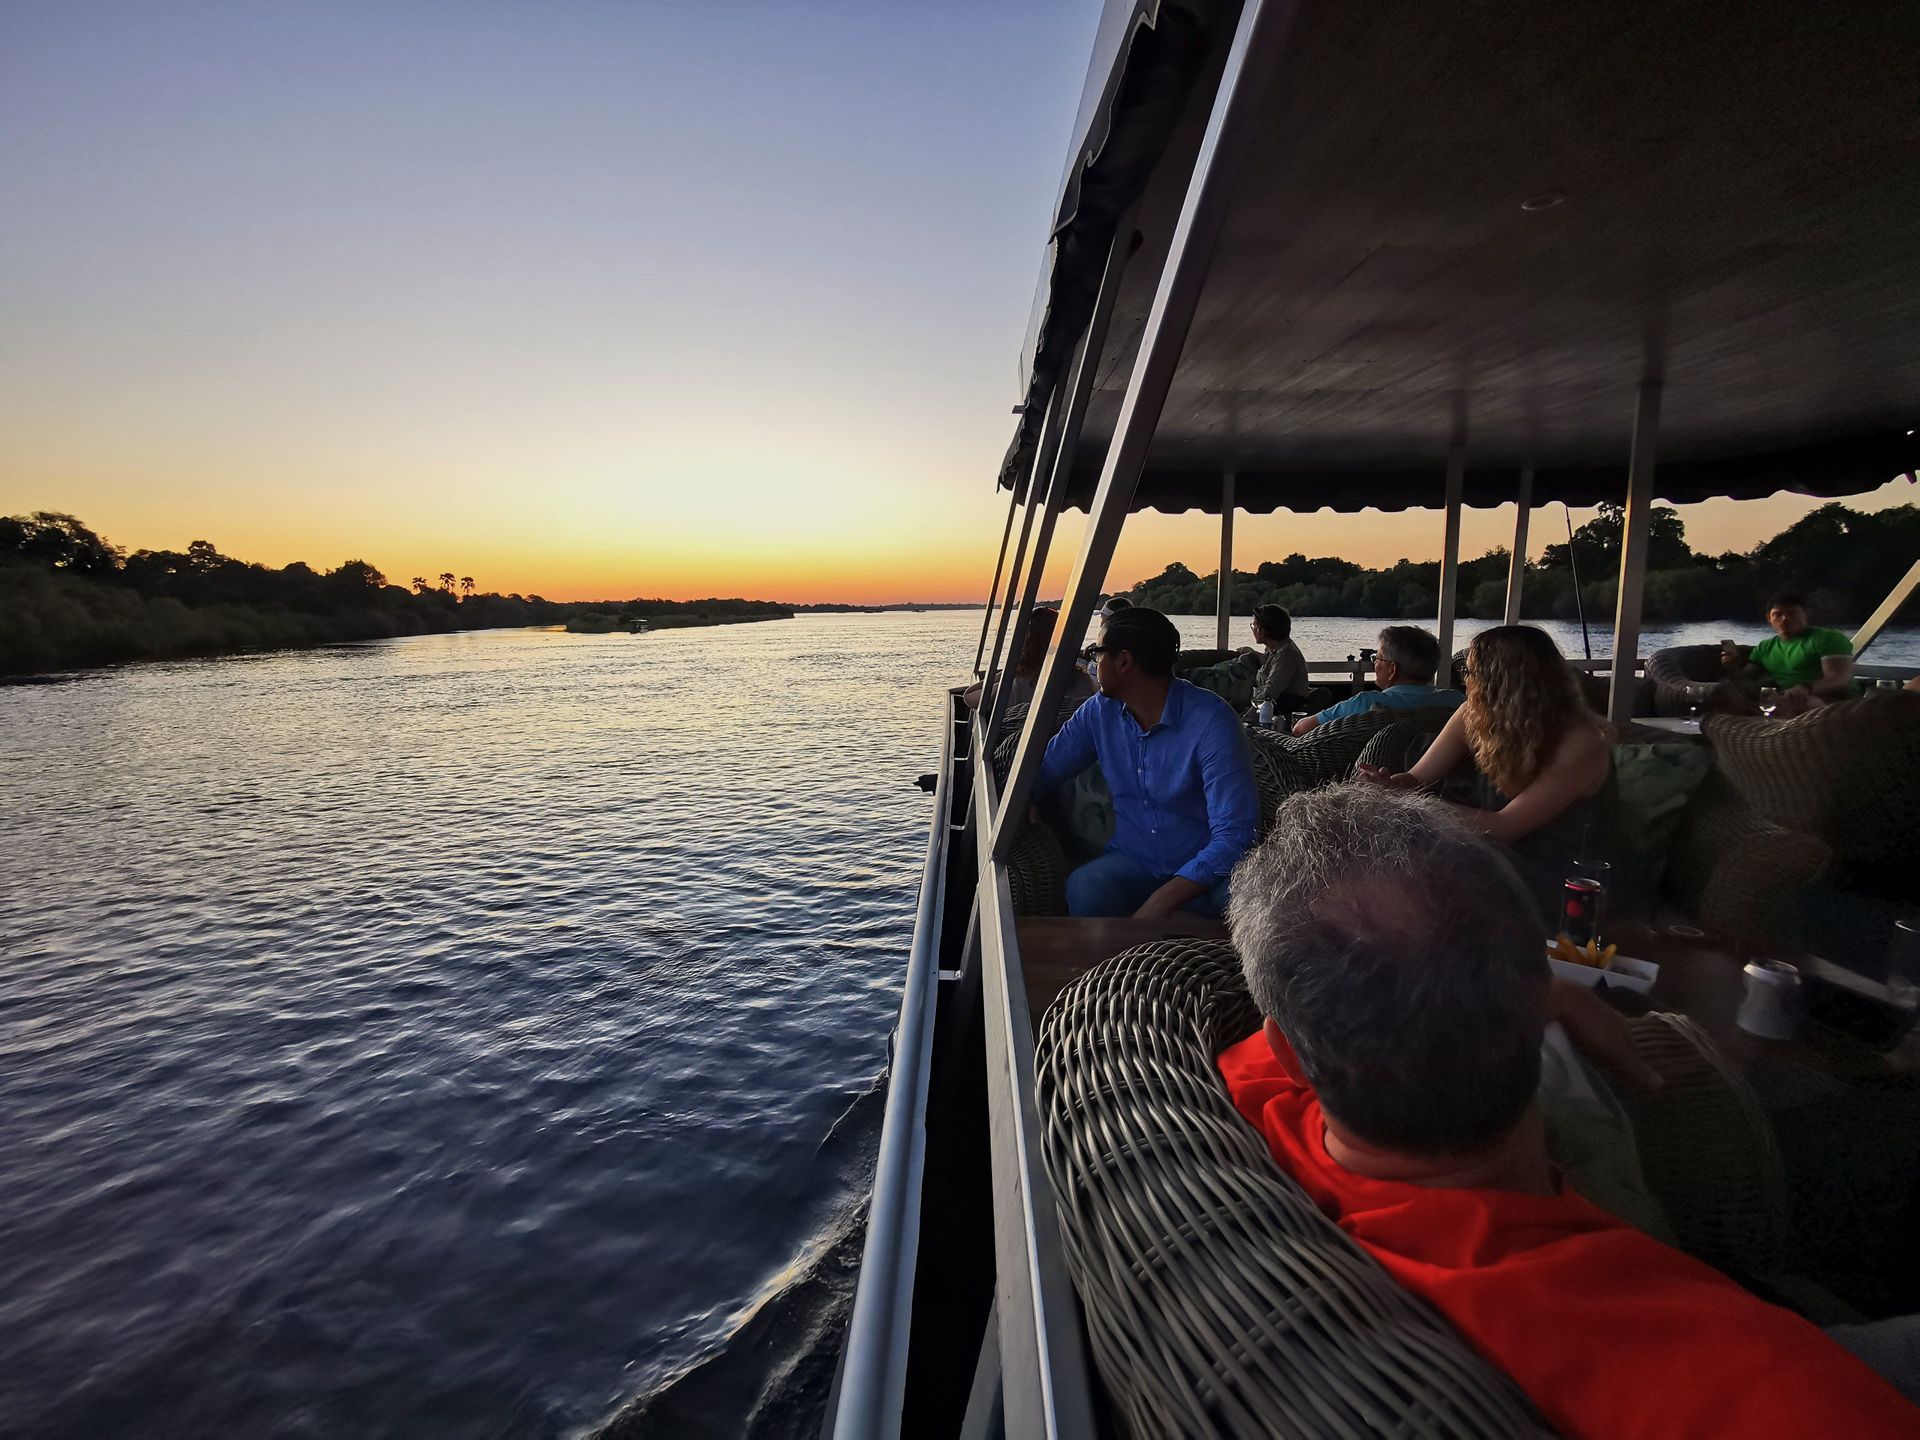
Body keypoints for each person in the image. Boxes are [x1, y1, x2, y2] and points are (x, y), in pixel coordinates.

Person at [1219, 785, 1920, 1437]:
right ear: (1534, 988)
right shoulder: (1760, 1387)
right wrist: (1544, 987)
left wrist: (1542, 993)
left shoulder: (1260, 1090)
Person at [1357, 625, 1611, 907]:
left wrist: (1405, 801)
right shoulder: (1473, 714)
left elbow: (1506, 827)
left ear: (1502, 681)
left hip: (1561, 874)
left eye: (1471, 673)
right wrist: (1389, 784)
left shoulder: (1581, 740)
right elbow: (1416, 778)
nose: (1465, 681)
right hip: (1489, 853)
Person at [1037, 606, 1258, 918]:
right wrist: (1025, 800)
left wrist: (1161, 902)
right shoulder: (1099, 712)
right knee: (1085, 887)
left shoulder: (1212, 721)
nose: (1093, 662)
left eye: (1097, 652)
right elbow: (1047, 768)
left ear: (1124, 661)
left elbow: (1236, 835)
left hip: (1206, 873)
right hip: (1133, 862)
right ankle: (1099, 968)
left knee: (1242, 904)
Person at [1290, 624, 1461, 736]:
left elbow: (1301, 729)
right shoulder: (1456, 701)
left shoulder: (1367, 704)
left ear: (1392, 669)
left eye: (1377, 658)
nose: (1374, 665)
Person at [963, 606, 1092, 715]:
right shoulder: (1085, 680)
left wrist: (1009, 671)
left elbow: (969, 697)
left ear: (1026, 642)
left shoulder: (1018, 685)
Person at [1738, 591, 1855, 698]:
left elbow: (1839, 679)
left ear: (1806, 614)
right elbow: (1744, 678)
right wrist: (1732, 664)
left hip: (1834, 702)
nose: (1784, 619)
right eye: (1778, 614)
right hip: (1786, 699)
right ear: (1769, 618)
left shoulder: (1828, 638)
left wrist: (1805, 688)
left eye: (1792, 613)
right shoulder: (1765, 647)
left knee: (1786, 703)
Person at [1239, 604, 1311, 718]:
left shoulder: (1286, 655)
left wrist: (1245, 719)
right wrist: (1251, 652)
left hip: (1283, 711)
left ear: (1262, 631)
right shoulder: (1275, 649)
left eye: (1253, 625)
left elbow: (1271, 692)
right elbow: (1268, 662)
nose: (1252, 628)